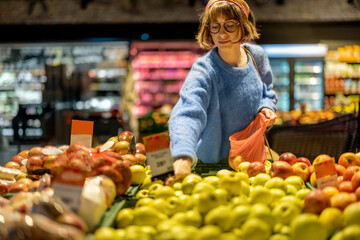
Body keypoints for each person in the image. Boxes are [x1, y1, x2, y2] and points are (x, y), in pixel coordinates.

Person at [168, 0, 278, 179]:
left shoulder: (256, 56)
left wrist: (266, 107)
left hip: (251, 161)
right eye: (215, 26)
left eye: (229, 26)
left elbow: (267, 92)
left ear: (244, 25)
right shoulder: (204, 70)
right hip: (213, 166)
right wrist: (182, 155)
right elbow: (187, 113)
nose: (221, 34)